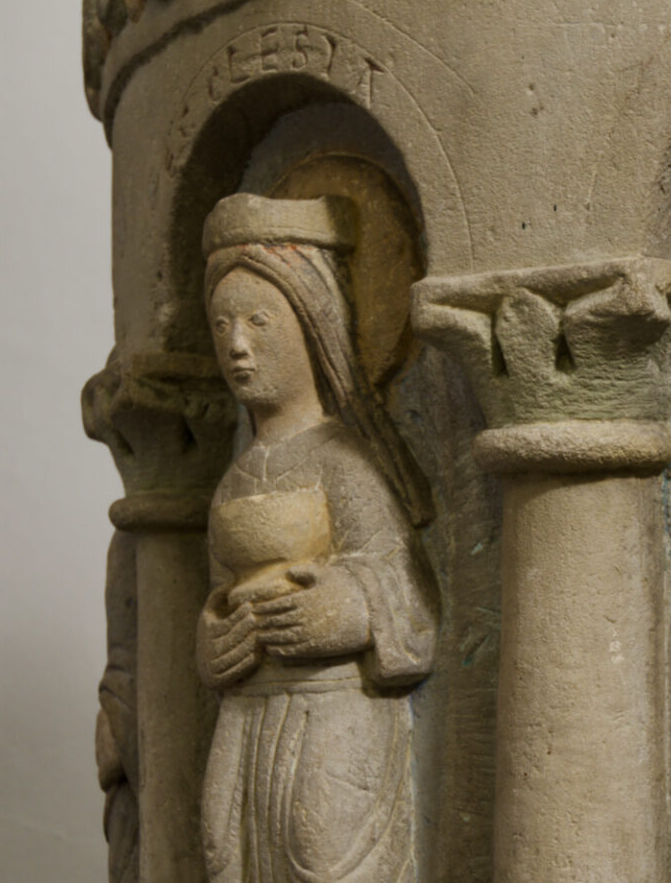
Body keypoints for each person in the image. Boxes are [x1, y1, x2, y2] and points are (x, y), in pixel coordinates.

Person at [195, 193, 438, 883]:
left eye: (258, 321)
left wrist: (351, 607)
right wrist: (213, 642)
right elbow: (218, 594)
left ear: (312, 321)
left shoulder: (344, 462)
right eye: (221, 324)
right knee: (226, 857)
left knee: (322, 863)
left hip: (333, 710)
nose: (237, 345)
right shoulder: (233, 479)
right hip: (246, 710)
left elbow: (410, 596)